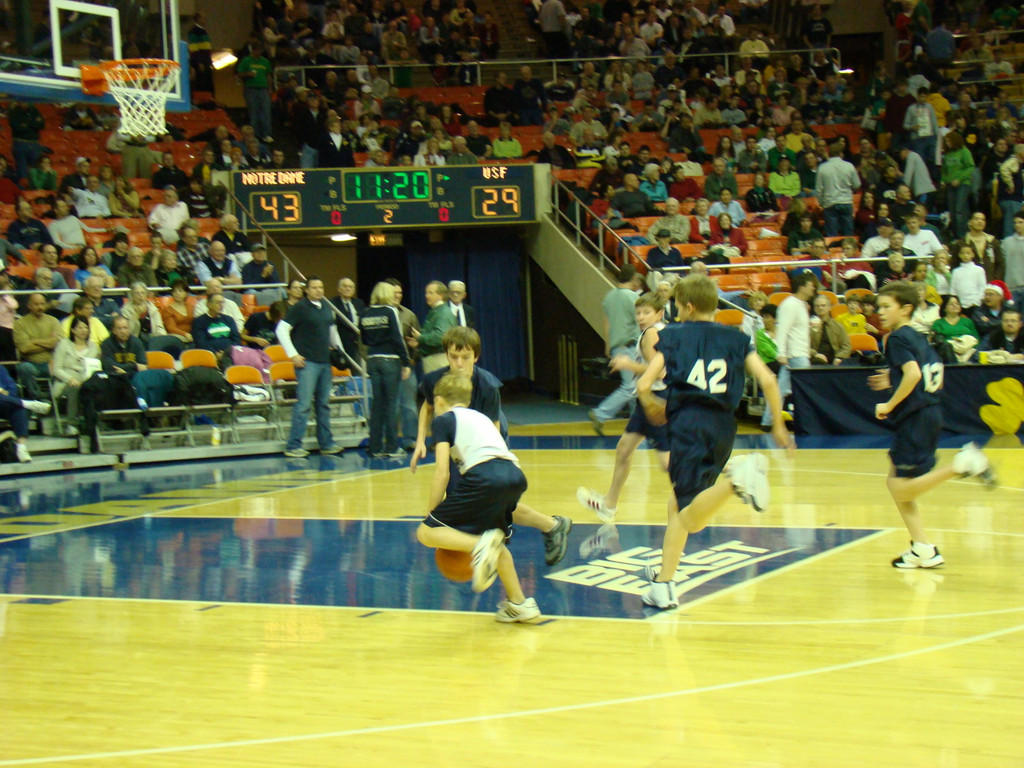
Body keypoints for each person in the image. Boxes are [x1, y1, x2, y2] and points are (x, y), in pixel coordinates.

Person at [637, 275, 790, 608]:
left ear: (688, 306)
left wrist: (651, 407)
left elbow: (645, 384)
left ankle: (736, 483)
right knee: (676, 504)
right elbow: (767, 380)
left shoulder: (673, 336)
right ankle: (665, 580)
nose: (675, 313)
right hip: (724, 427)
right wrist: (778, 424)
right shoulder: (736, 338)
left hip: (689, 425)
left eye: (677, 306)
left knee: (690, 516)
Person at [410, 326, 572, 566]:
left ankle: (547, 526)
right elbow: (427, 406)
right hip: (460, 442)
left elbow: (493, 429)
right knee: (474, 500)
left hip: (485, 440)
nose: (459, 363)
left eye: (465, 357)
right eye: (454, 357)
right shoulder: (436, 380)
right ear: (446, 356)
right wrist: (421, 440)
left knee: (490, 498)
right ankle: (552, 526)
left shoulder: (486, 385)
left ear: (476, 357)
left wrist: (495, 463)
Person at [867, 281, 996, 569]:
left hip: (917, 417)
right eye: (879, 307)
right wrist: (893, 379)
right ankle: (922, 548)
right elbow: (923, 370)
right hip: (928, 414)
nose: (881, 312)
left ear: (906, 308)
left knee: (901, 488)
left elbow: (912, 374)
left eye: (887, 306)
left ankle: (962, 464)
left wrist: (888, 404)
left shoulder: (897, 338)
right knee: (894, 482)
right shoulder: (916, 336)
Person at [414, 374, 541, 621]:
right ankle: (519, 603)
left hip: (485, 478)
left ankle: (480, 546)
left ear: (438, 401)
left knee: (425, 533)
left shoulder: (444, 420)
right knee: (496, 541)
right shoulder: (481, 417)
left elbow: (442, 472)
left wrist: (432, 515)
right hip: (514, 476)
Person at [577, 291, 670, 522]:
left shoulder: (651, 333)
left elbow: (660, 370)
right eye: (638, 312)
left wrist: (628, 363)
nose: (640, 317)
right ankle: (609, 504)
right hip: (646, 400)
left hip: (656, 399)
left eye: (646, 312)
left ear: (658, 313)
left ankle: (724, 477)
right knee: (624, 449)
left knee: (667, 463)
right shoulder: (661, 330)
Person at [276, 276, 344, 458]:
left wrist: (339, 351)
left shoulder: (326, 308)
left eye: (320, 287)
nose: (318, 290)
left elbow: (332, 331)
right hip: (308, 363)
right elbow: (281, 330)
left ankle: (327, 444)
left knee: (323, 405)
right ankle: (293, 445)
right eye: (314, 287)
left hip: (324, 362)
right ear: (307, 290)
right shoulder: (300, 308)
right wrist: (293, 354)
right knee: (304, 405)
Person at [589, 265, 641, 435]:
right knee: (631, 387)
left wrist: (607, 345)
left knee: (635, 388)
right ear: (633, 279)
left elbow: (607, 323)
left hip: (617, 346)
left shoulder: (609, 296)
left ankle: (637, 424)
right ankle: (600, 413)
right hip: (630, 346)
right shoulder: (633, 297)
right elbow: (641, 320)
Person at [360, 281, 410, 458]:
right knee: (391, 405)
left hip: (372, 360)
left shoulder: (365, 313)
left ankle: (375, 447)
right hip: (390, 360)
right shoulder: (391, 311)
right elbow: (397, 338)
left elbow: (364, 339)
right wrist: (406, 362)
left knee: (377, 405)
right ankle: (392, 447)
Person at [762, 272, 817, 429]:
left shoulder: (799, 305)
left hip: (798, 354)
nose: (813, 287)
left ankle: (767, 422)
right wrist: (781, 353)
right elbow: (783, 329)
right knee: (804, 390)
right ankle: (805, 422)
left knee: (780, 391)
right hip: (795, 355)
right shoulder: (790, 305)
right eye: (810, 284)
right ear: (802, 286)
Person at [51, 315, 101, 435]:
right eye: (80, 327)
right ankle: (71, 424)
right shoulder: (64, 344)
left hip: (87, 380)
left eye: (85, 327)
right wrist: (70, 379)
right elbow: (56, 369)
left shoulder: (93, 347)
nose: (83, 330)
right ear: (73, 330)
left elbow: (96, 367)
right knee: (76, 388)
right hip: (65, 382)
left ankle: (100, 422)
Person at [13, 293, 61, 401]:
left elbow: (58, 344)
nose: (40, 307)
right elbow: (24, 348)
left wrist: (34, 341)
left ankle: (51, 399)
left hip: (51, 363)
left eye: (42, 304)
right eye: (36, 304)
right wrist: (49, 343)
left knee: (63, 367)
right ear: (29, 305)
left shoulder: (53, 321)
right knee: (24, 368)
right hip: (31, 363)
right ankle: (38, 399)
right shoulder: (20, 323)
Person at [0, 363, 50, 462]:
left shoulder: (1, 369)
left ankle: (21, 448)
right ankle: (29, 404)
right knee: (18, 404)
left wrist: (4, 393)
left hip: (4, 403)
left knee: (19, 409)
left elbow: (12, 389)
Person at [816, 142, 861, 237]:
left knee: (832, 235)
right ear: (841, 154)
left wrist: (821, 203)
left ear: (829, 153)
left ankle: (832, 250)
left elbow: (819, 189)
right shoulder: (849, 166)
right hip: (846, 201)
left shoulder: (822, 167)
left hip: (829, 203)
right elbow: (857, 184)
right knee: (848, 235)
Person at [413, 280, 457, 374]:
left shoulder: (442, 313)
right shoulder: (436, 312)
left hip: (438, 360)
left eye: (430, 293)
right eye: (426, 292)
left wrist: (420, 337)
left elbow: (441, 336)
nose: (426, 295)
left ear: (440, 295)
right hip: (435, 360)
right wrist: (418, 343)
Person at [192, 293, 241, 358]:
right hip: (209, 355)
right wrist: (215, 353)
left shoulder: (229, 319)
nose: (221, 305)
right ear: (209, 305)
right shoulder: (199, 321)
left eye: (222, 303)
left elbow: (236, 339)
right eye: (218, 303)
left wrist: (227, 352)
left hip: (231, 354)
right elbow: (201, 343)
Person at [331, 277, 365, 366]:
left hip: (358, 347)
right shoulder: (332, 303)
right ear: (339, 289)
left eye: (350, 287)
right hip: (341, 346)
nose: (348, 289)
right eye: (345, 286)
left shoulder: (359, 303)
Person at [809, 294, 852, 365]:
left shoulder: (838, 326)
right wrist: (814, 354)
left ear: (829, 307)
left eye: (823, 305)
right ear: (814, 309)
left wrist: (839, 357)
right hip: (815, 360)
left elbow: (846, 346)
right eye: (817, 306)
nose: (820, 308)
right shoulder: (808, 326)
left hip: (835, 360)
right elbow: (803, 346)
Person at [160, 279, 195, 345]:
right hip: (177, 338)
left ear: (186, 293)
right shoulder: (168, 310)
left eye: (180, 291)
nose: (177, 293)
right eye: (174, 291)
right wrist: (185, 334)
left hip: (192, 336)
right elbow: (171, 328)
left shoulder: (191, 307)